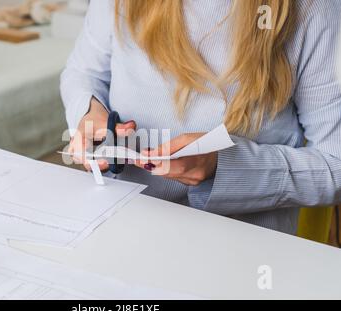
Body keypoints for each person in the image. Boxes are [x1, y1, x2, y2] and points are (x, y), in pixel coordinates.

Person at [60, 0, 341, 234]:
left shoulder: (314, 10)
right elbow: (83, 72)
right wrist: (89, 112)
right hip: (120, 225)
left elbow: (335, 165)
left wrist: (222, 167)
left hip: (244, 249)